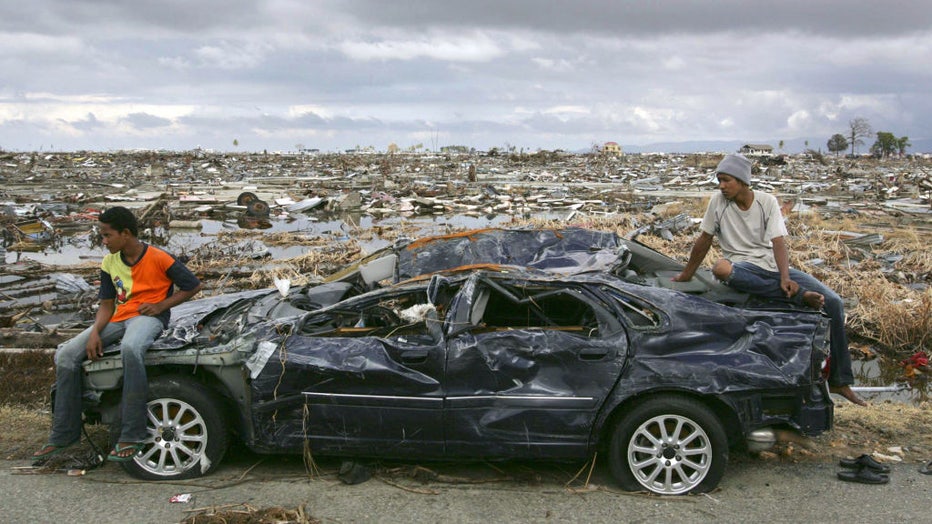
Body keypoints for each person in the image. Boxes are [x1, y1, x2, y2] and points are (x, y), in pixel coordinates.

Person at [672, 154, 866, 406]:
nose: (721, 186)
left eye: (726, 180)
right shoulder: (718, 203)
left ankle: (840, 381)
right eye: (719, 180)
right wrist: (686, 274)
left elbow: (778, 242)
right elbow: (704, 240)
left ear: (742, 181)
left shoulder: (766, 202)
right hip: (742, 268)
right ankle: (800, 298)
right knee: (720, 268)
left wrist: (785, 277)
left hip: (770, 268)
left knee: (834, 302)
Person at [33, 206, 203, 462]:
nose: (103, 241)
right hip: (119, 318)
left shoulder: (159, 257)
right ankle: (63, 436)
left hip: (148, 317)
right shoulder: (109, 262)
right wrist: (95, 332)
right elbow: (106, 304)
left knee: (131, 349)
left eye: (107, 235)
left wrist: (160, 306)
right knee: (67, 355)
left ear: (125, 233)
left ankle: (132, 433)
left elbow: (192, 286)